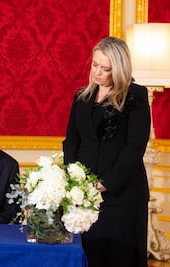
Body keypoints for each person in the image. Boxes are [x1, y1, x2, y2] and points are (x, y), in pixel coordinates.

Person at [63, 36, 151, 267]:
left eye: (106, 68)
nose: (97, 73)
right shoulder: (82, 96)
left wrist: (106, 183)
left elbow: (135, 147)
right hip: (85, 195)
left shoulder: (135, 96)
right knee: (89, 256)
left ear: (119, 69)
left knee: (120, 259)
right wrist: (74, 180)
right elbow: (71, 141)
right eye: (95, 65)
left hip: (122, 196)